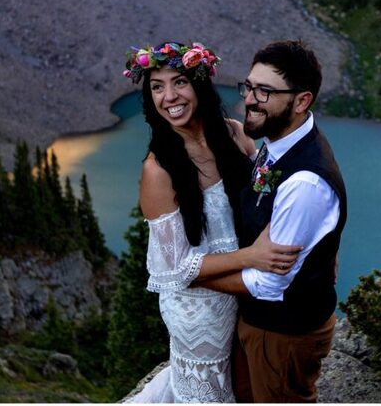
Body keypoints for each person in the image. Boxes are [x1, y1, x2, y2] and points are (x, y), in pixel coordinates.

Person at [123, 42, 303, 403]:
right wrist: (251, 256)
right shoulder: (158, 171)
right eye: (157, 87)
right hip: (199, 311)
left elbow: (266, 198)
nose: (169, 97)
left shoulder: (235, 134)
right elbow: (173, 268)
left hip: (245, 293)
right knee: (208, 394)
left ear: (200, 84)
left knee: (247, 385)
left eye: (179, 82)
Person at [199, 40, 348, 402]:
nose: (249, 100)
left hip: (283, 335)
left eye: (265, 92)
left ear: (301, 101)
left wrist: (195, 277)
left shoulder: (305, 182)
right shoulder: (283, 140)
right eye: (249, 87)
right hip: (265, 327)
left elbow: (268, 284)